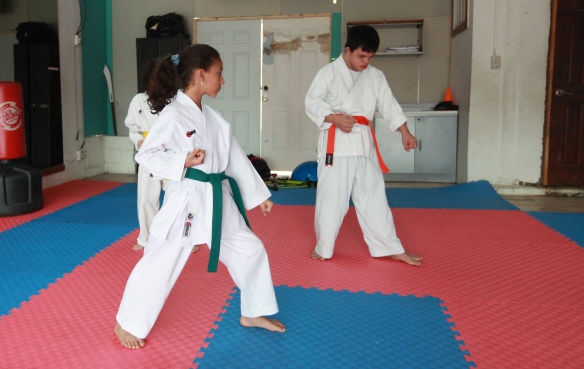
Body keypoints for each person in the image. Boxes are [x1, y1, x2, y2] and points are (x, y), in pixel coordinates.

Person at [114, 45, 285, 349]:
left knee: (251, 250)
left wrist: (259, 195)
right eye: (219, 74)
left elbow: (234, 159)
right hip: (187, 200)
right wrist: (183, 160)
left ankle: (253, 312)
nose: (222, 80)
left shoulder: (215, 120)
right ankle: (127, 323)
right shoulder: (173, 115)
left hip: (217, 198)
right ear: (200, 75)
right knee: (161, 261)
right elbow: (147, 155)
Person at [304, 25, 422, 267]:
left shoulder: (376, 76)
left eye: (370, 57)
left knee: (374, 196)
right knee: (332, 198)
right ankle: (324, 247)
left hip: (363, 142)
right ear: (348, 50)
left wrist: (405, 132)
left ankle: (388, 247)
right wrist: (335, 118)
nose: (366, 61)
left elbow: (389, 105)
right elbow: (311, 101)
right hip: (335, 145)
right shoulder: (328, 73)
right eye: (361, 56)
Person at [124, 60, 163, 251]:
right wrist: (138, 139)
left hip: (172, 155)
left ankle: (184, 239)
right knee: (146, 199)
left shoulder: (175, 101)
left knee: (180, 198)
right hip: (148, 155)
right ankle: (146, 239)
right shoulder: (138, 100)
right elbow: (132, 127)